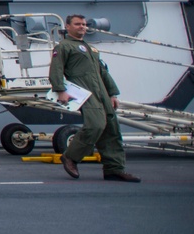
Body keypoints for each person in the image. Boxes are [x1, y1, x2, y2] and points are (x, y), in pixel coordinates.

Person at [52, 15, 140, 182]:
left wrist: (112, 94)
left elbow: (103, 72)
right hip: (84, 92)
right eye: (77, 24)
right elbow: (56, 69)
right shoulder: (63, 46)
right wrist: (60, 90)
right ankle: (70, 156)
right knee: (95, 125)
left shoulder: (92, 49)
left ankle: (114, 169)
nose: (82, 27)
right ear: (68, 27)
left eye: (84, 25)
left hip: (102, 93)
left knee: (112, 129)